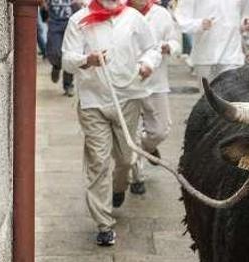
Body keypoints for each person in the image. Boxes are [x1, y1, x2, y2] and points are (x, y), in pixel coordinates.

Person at [62, 0, 162, 246]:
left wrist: (147, 64)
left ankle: (119, 188)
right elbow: (67, 60)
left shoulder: (132, 17)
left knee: (127, 159)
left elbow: (152, 48)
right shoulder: (79, 20)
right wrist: (88, 59)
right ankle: (104, 224)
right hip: (92, 101)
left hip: (128, 98)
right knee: (98, 161)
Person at [128, 0, 181, 195]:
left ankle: (147, 148)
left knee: (159, 131)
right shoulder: (120, 12)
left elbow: (176, 41)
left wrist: (169, 47)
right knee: (130, 131)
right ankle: (136, 177)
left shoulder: (161, 14)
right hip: (128, 85)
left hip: (156, 82)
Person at [175, 0, 249, 81]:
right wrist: (199, 24)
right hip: (205, 56)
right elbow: (181, 19)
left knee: (230, 93)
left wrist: (246, 23)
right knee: (208, 93)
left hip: (232, 55)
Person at [42, 0, 82, 96]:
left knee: (69, 54)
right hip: (54, 24)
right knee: (54, 52)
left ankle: (68, 85)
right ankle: (56, 66)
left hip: (70, 24)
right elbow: (42, 4)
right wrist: (44, 8)